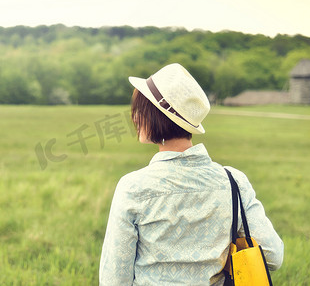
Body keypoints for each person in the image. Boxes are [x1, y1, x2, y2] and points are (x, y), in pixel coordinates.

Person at [99, 63, 284, 285]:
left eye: (140, 111)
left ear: (156, 116)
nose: (134, 119)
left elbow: (114, 279)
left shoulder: (133, 187)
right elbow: (273, 255)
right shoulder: (234, 181)